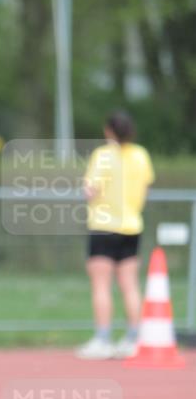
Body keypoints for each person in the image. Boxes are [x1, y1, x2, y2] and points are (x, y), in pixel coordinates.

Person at [76, 110, 154, 360]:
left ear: (109, 130)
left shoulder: (103, 156)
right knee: (130, 285)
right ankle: (133, 338)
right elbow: (145, 188)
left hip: (103, 225)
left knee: (101, 286)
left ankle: (103, 339)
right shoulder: (141, 155)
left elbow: (91, 191)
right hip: (132, 225)